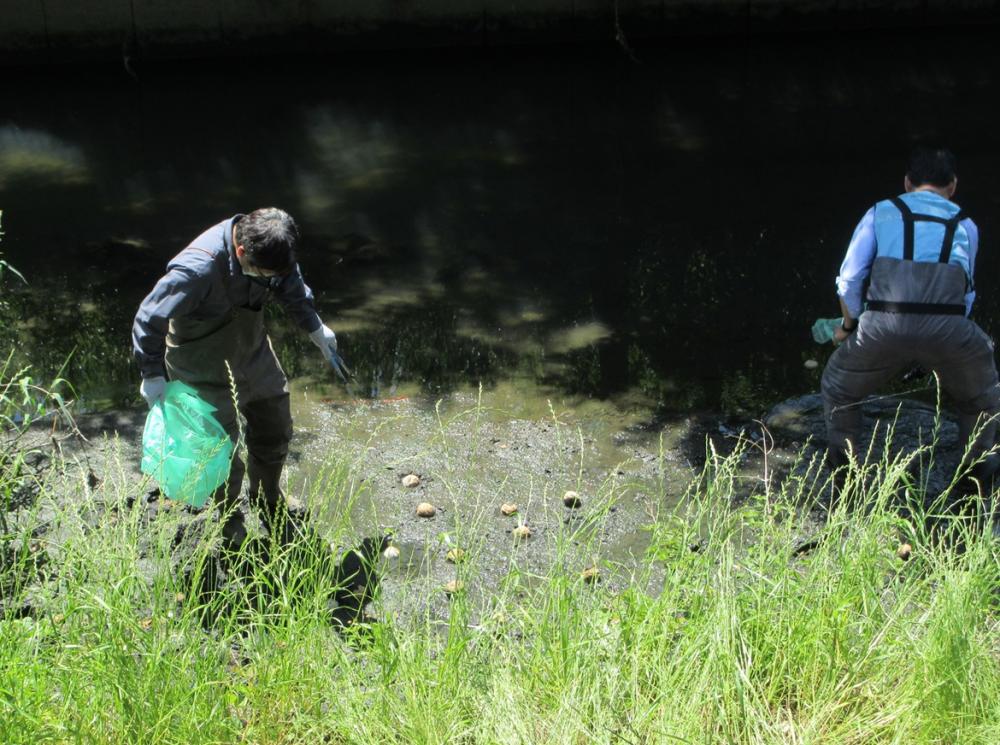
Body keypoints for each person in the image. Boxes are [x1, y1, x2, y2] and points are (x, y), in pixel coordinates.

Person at [132, 207, 340, 550]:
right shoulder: (196, 270)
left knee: (275, 420)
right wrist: (152, 374)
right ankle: (228, 517)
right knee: (219, 447)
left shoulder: (273, 250)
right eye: (264, 274)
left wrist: (315, 326)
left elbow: (290, 285)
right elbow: (147, 318)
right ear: (241, 252)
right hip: (199, 362)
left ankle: (267, 498)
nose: (272, 279)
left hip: (251, 350)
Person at [821, 147, 1000, 490]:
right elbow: (966, 294)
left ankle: (846, 474)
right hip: (949, 328)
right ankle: (975, 478)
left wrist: (848, 327)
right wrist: (937, 348)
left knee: (838, 388)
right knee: (982, 399)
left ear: (907, 182)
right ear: (953, 186)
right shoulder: (967, 224)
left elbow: (849, 281)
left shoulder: (880, 213)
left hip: (884, 325)